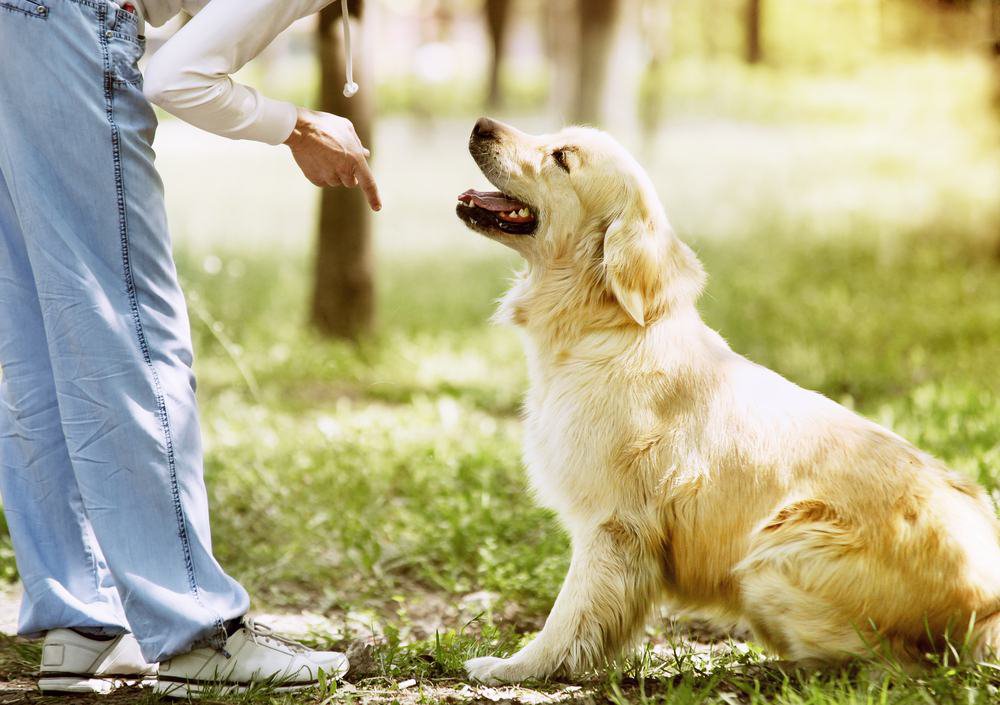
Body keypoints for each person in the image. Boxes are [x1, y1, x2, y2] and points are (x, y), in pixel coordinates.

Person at [0, 0, 377, 697]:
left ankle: (79, 621)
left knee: (37, 338)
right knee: (131, 329)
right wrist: (297, 125)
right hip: (73, 23)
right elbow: (176, 76)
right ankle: (197, 631)